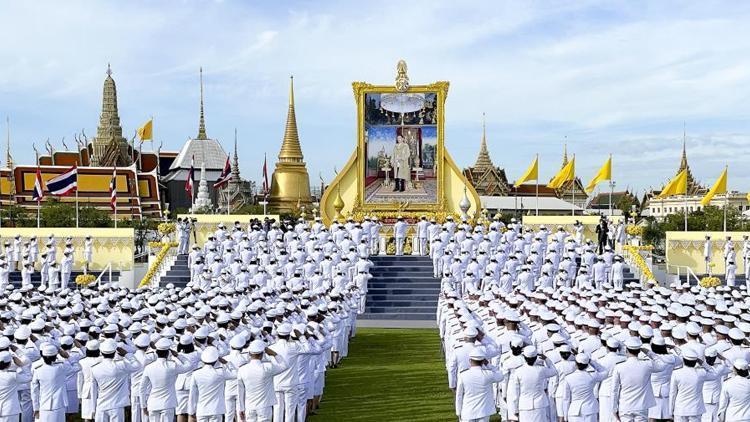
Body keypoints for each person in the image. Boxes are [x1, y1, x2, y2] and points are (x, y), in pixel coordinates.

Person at [611, 337, 670, 422]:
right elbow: (662, 365)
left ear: (626, 350)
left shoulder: (619, 367)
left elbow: (614, 390)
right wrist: (648, 352)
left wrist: (614, 408)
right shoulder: (647, 364)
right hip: (641, 406)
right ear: (639, 351)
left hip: (625, 406)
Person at [139, 338, 194, 422]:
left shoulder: (148, 367)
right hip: (167, 404)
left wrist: (143, 406)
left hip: (153, 404)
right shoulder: (172, 366)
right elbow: (189, 365)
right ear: (168, 353)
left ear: (156, 352)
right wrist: (178, 355)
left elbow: (142, 388)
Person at [90, 339, 141, 422]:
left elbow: (93, 390)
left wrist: (93, 408)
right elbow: (137, 365)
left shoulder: (94, 368)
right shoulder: (121, 365)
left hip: (101, 405)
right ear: (114, 353)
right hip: (117, 405)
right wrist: (127, 354)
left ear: (101, 353)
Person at [237, 341, 288, 422]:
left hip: (249, 406)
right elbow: (284, 365)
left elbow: (240, 391)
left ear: (249, 354)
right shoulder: (268, 367)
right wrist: (274, 354)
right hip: (265, 406)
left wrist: (241, 408)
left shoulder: (242, 369)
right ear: (262, 354)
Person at [187, 346, 236, 422]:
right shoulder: (220, 372)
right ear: (216, 360)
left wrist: (191, 411)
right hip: (216, 410)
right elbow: (236, 374)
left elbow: (193, 394)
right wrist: (227, 363)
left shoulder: (196, 373)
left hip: (201, 410)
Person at [508, 346, 557, 422]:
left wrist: (515, 409)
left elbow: (515, 394)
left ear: (524, 357)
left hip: (524, 405)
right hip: (539, 404)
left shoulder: (518, 371)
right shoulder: (541, 370)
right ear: (535, 358)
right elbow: (554, 371)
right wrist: (546, 359)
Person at [454, 348, 504, 422]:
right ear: (483, 362)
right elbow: (501, 375)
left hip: (468, 411)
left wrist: (458, 412)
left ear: (470, 361)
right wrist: (488, 365)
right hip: (483, 411)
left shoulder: (463, 375)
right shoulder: (488, 374)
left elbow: (459, 395)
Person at [31, 344, 75, 422]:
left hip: (43, 404)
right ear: (55, 356)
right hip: (59, 404)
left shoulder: (37, 370)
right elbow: (77, 367)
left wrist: (36, 408)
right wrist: (68, 357)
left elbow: (34, 391)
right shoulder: (61, 367)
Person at [0, 351, 32, 422]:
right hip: (10, 411)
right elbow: (29, 377)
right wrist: (22, 365)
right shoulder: (13, 376)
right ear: (9, 364)